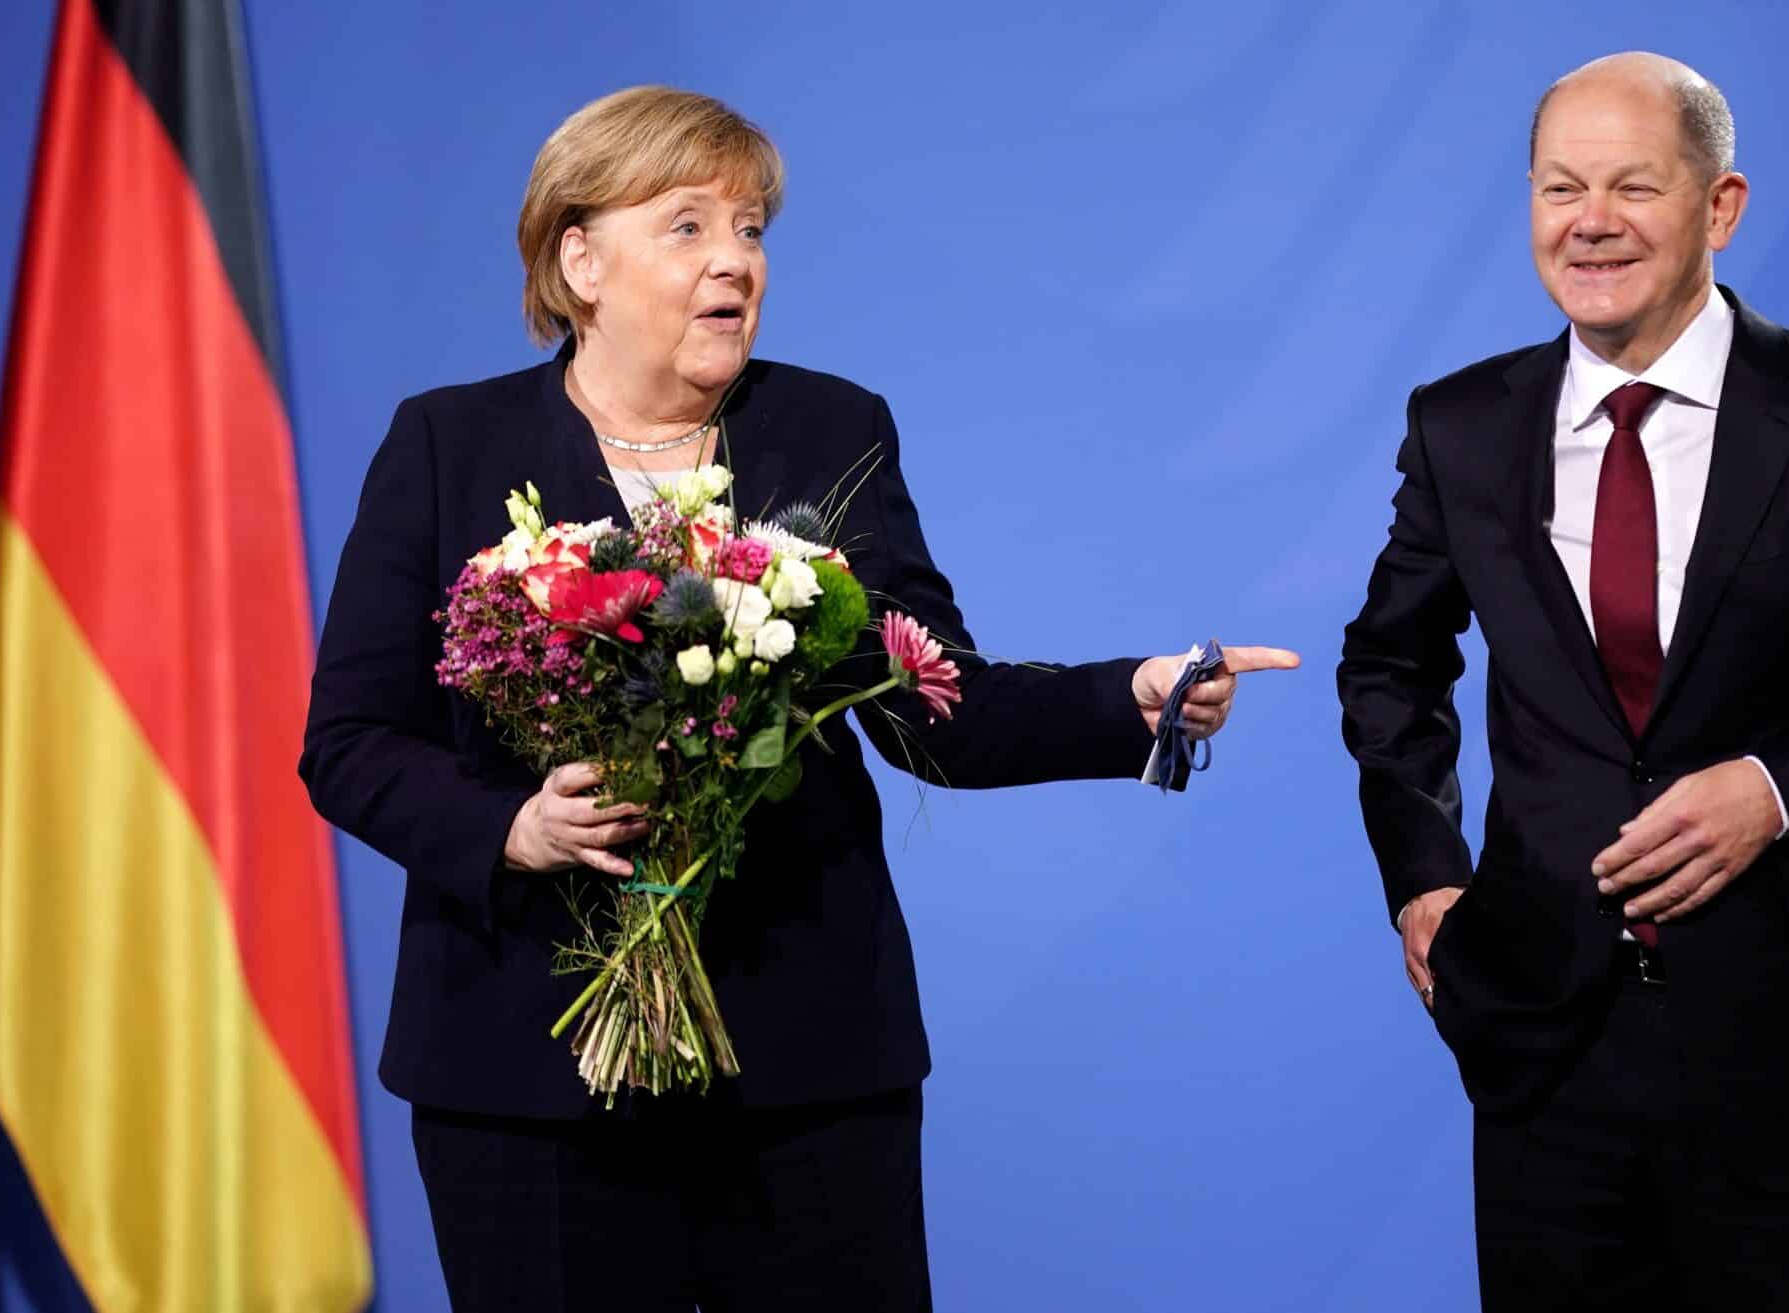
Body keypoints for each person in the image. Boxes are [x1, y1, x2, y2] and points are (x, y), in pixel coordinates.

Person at [299, 85, 1298, 1312]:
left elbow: (934, 703)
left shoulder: (828, 428)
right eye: (688, 226)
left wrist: (1128, 697)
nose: (736, 261)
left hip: (806, 1068)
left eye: (754, 228)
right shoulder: (446, 444)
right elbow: (347, 741)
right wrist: (510, 827)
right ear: (580, 259)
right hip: (527, 1073)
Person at [1335, 51, 1789, 1310]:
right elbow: (1389, 659)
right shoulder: (1460, 423)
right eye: (1558, 188)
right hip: (1543, 1040)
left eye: (1630, 186)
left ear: (1720, 206)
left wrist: (1775, 790)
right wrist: (1424, 875)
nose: (1587, 221)